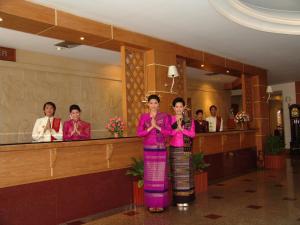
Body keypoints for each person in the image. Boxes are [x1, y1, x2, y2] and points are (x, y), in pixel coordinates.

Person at [137, 94, 171, 213]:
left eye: (155, 103)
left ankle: (160, 203)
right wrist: (151, 128)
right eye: (151, 103)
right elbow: (139, 133)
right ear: (148, 104)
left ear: (158, 104)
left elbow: (169, 132)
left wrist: (157, 126)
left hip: (161, 149)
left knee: (160, 176)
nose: (153, 105)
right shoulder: (143, 116)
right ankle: (152, 204)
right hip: (148, 149)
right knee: (151, 176)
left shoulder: (164, 116)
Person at [169, 97, 195, 210]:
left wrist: (182, 129)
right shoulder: (170, 119)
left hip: (186, 148)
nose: (179, 108)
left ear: (184, 107)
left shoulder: (189, 120)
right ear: (174, 108)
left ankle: (187, 199)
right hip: (175, 149)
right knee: (177, 175)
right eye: (177, 106)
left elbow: (192, 134)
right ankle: (178, 199)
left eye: (181, 106)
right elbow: (168, 133)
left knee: (186, 174)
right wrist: (176, 129)